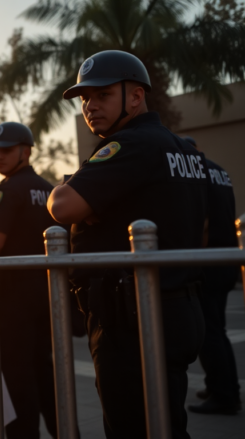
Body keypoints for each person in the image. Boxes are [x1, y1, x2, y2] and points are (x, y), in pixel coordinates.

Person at [48, 50, 207, 438]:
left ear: (135, 96)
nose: (90, 106)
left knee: (132, 427)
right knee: (165, 423)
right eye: (85, 98)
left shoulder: (129, 144)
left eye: (101, 95)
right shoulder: (183, 149)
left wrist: (73, 191)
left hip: (129, 319)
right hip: (175, 306)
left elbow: (62, 205)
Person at [0, 121, 61, 438]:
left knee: (17, 375)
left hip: (14, 298)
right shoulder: (49, 189)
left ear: (25, 152)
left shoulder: (7, 190)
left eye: (6, 151)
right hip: (46, 294)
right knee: (45, 370)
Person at [182, 136, 242, 415]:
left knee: (210, 333)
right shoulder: (219, 169)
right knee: (219, 330)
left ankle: (224, 395)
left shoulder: (194, 169)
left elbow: (201, 218)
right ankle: (221, 385)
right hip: (227, 258)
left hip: (207, 262)